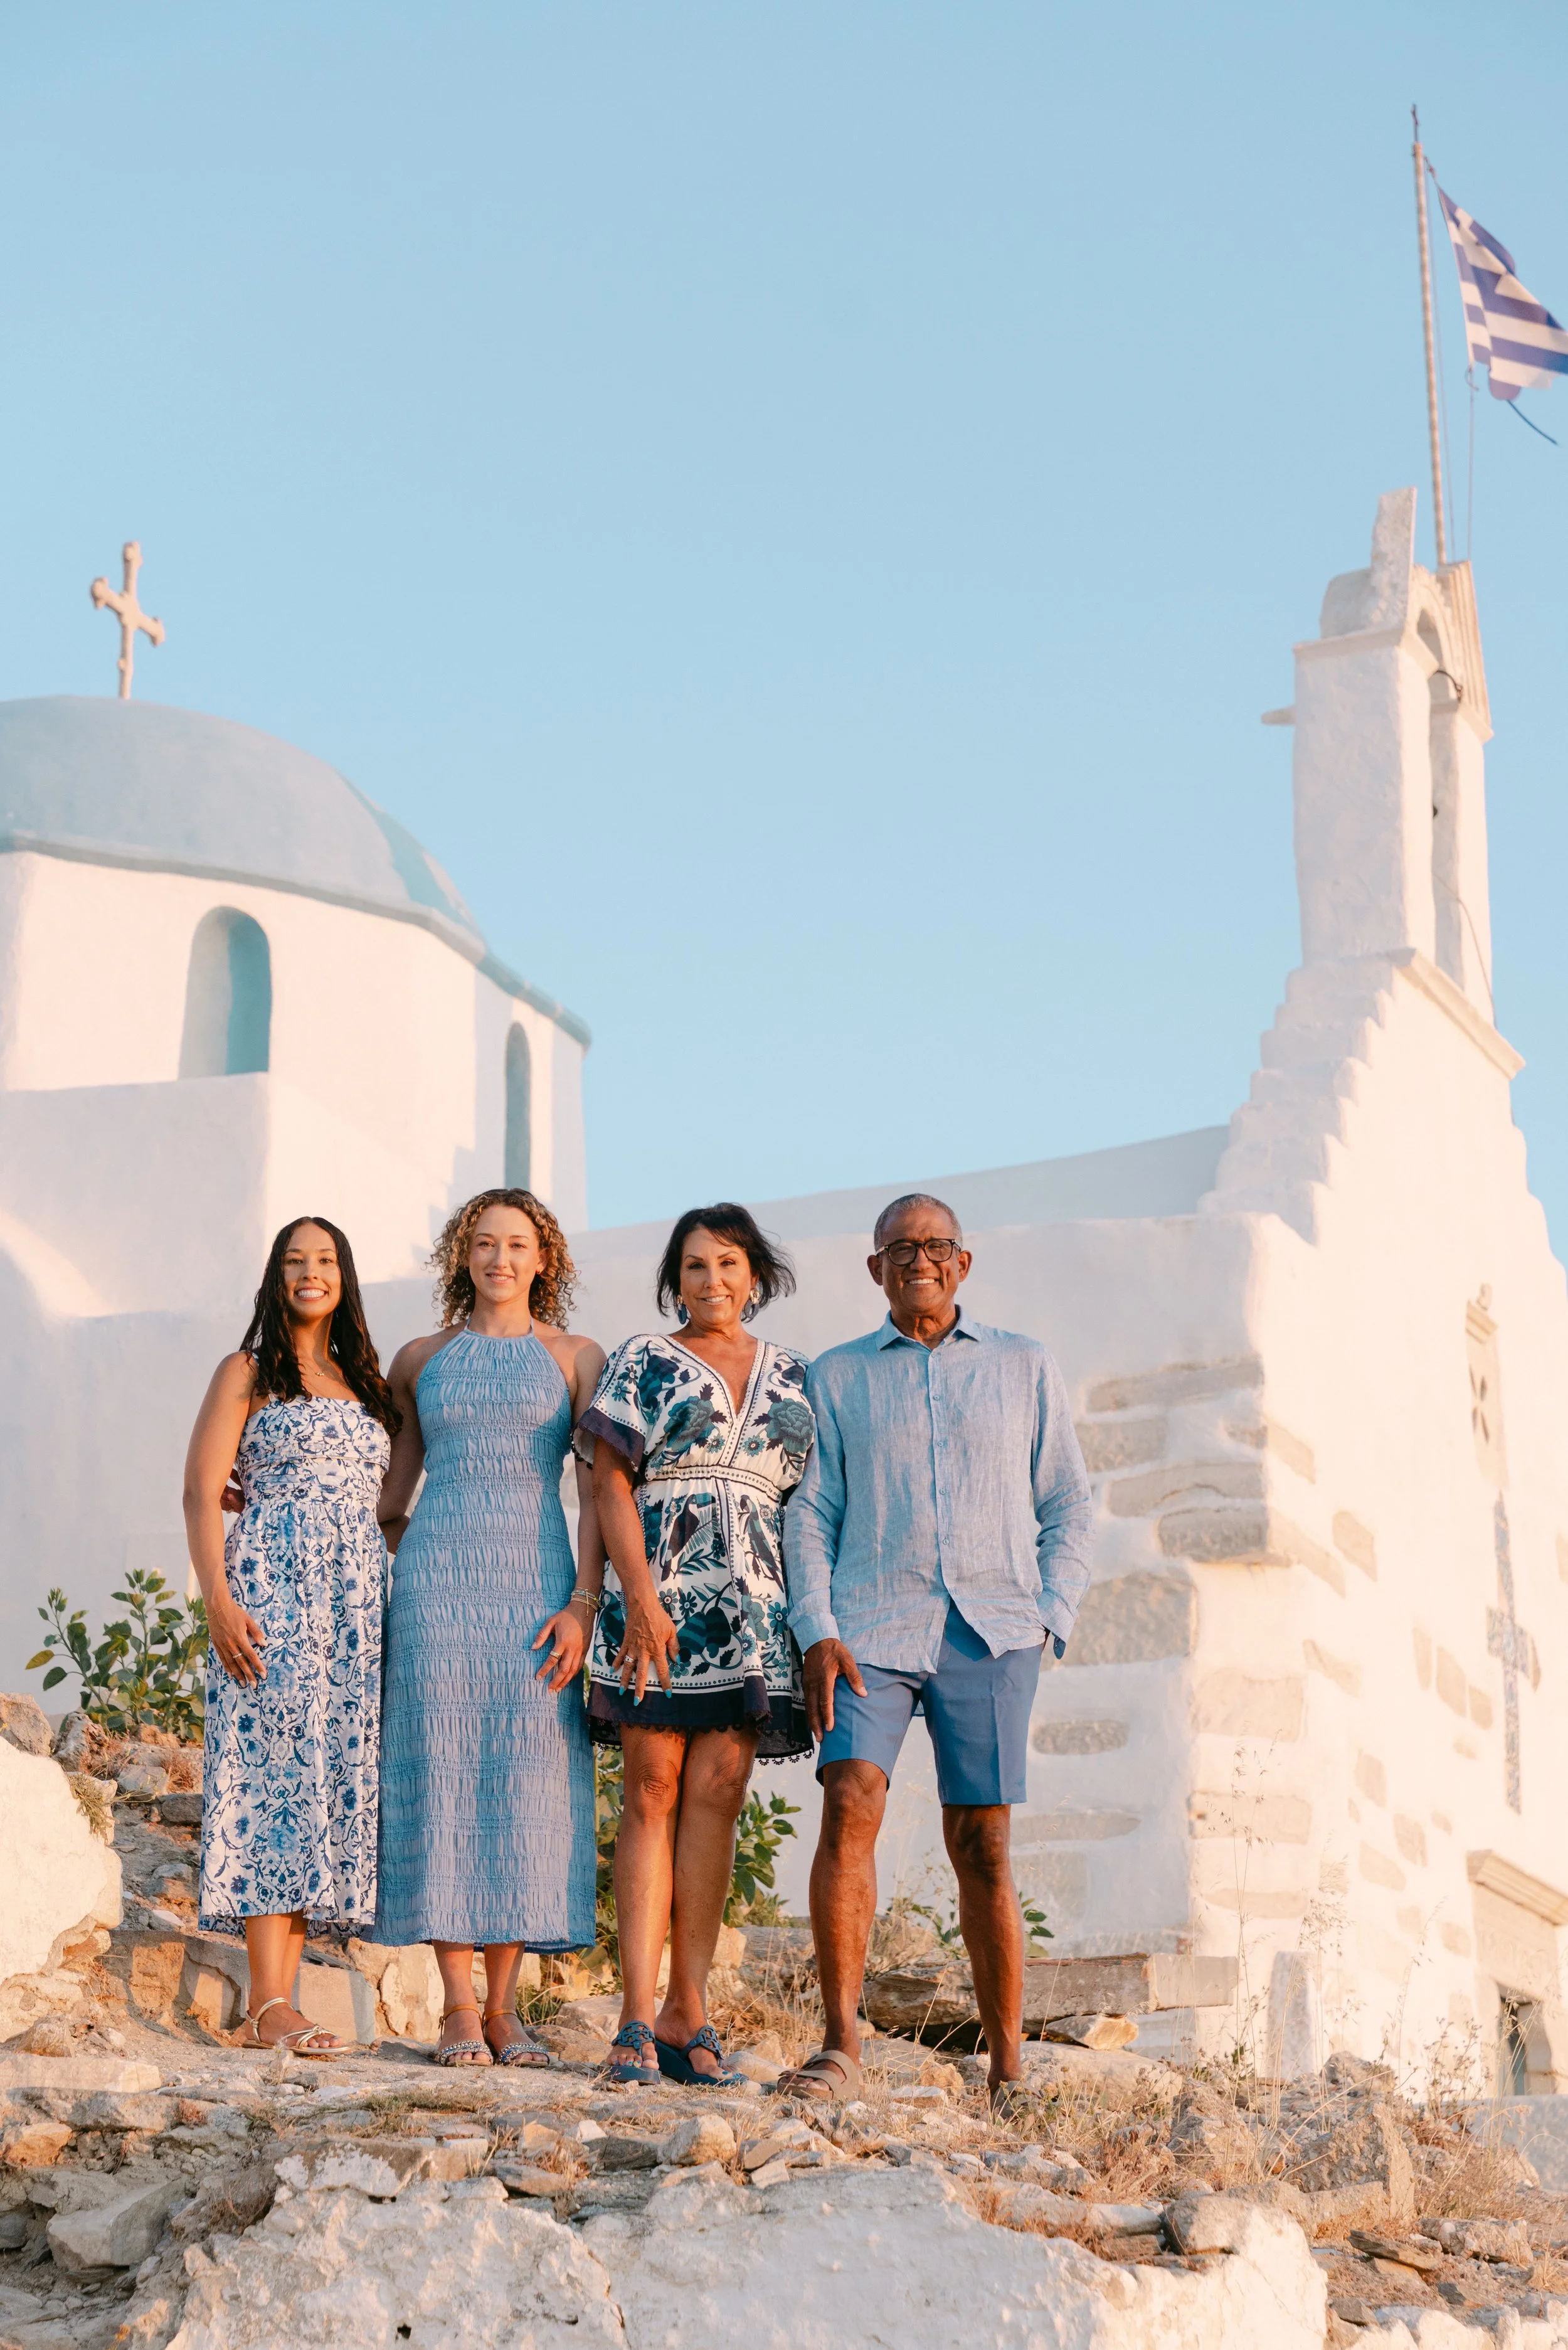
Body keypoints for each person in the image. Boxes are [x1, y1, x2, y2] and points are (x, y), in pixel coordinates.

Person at [781, 1193, 1093, 2109]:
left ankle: (1007, 2068)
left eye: (936, 1245)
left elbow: (1069, 1503)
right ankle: (841, 2043)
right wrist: (817, 1628)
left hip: (993, 1630)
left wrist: (1049, 1613)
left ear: (964, 1263)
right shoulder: (835, 1377)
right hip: (867, 1629)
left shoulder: (1025, 1366)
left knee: (984, 1842)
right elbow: (813, 1510)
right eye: (899, 1248)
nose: (919, 1258)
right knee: (850, 1801)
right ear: (874, 1270)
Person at [579, 1204, 813, 2087]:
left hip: (755, 1604)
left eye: (728, 1263)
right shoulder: (644, 1358)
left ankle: (689, 2008)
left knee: (719, 1792)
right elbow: (607, 1477)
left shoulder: (797, 1376)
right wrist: (636, 1599)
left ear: (756, 1274)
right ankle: (634, 2016)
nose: (711, 1280)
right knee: (651, 1787)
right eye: (694, 1266)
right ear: (674, 1280)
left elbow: (810, 1500)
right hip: (664, 1589)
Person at [374, 1189, 606, 2067]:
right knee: (442, 1770)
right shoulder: (421, 1358)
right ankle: (459, 2007)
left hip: (538, 1582)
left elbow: (594, 1495)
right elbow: (394, 1492)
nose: (499, 1258)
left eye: (516, 1243)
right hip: (436, 1584)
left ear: (543, 1257)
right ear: (462, 1255)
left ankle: (508, 2007)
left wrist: (583, 1602)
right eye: (483, 1243)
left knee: (522, 1777)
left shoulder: (576, 1357)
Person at [184, 1216, 399, 2056]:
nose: (311, 1272)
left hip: (352, 1609)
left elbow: (383, 1502)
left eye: (326, 1259)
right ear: (275, 1277)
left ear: (344, 1275)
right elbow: (202, 1492)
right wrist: (219, 1600)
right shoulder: (247, 1371)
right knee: (272, 1779)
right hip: (271, 1588)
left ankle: (284, 1998)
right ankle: (270, 2000)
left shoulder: (364, 1380)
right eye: (294, 1260)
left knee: (319, 1788)